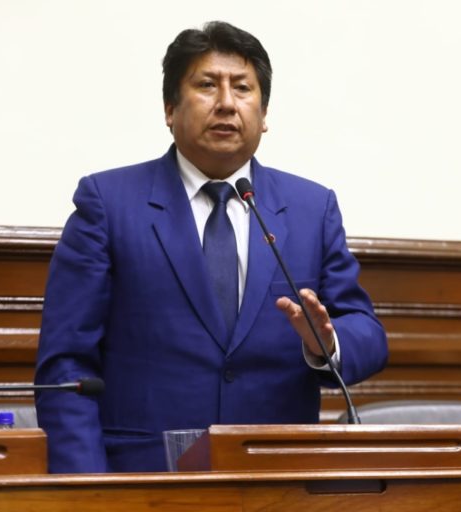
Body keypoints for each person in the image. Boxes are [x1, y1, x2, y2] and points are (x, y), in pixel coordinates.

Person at [34, 20, 388, 473]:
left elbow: (368, 333)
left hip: (279, 478)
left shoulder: (310, 208)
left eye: (243, 88)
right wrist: (87, 493)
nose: (226, 103)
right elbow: (67, 365)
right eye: (206, 85)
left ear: (264, 115)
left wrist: (328, 344)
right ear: (169, 108)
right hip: (145, 480)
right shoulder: (108, 203)